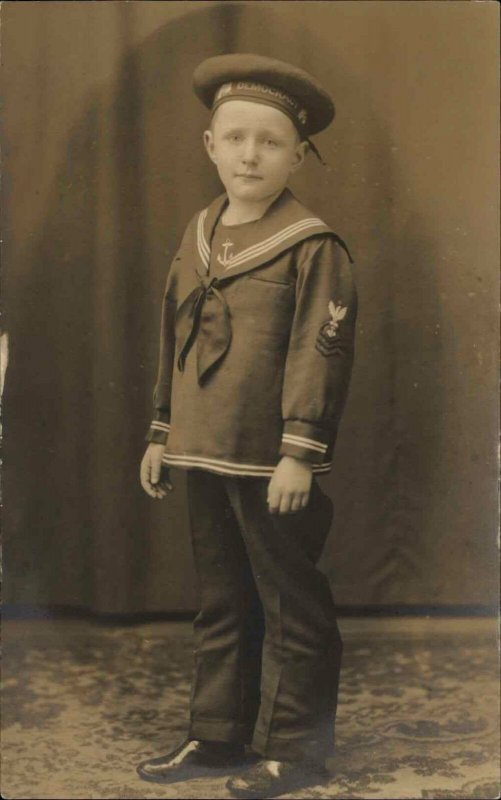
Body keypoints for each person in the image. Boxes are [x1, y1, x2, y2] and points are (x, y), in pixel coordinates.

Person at [136, 53, 357, 798]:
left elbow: (316, 354)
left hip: (268, 462)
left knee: (289, 605)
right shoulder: (199, 232)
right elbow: (174, 336)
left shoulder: (309, 245)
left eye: (269, 142)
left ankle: (295, 749)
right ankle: (217, 734)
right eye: (235, 138)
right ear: (210, 146)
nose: (250, 155)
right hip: (201, 450)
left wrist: (299, 453)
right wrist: (161, 432)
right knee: (221, 601)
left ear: (298, 154)